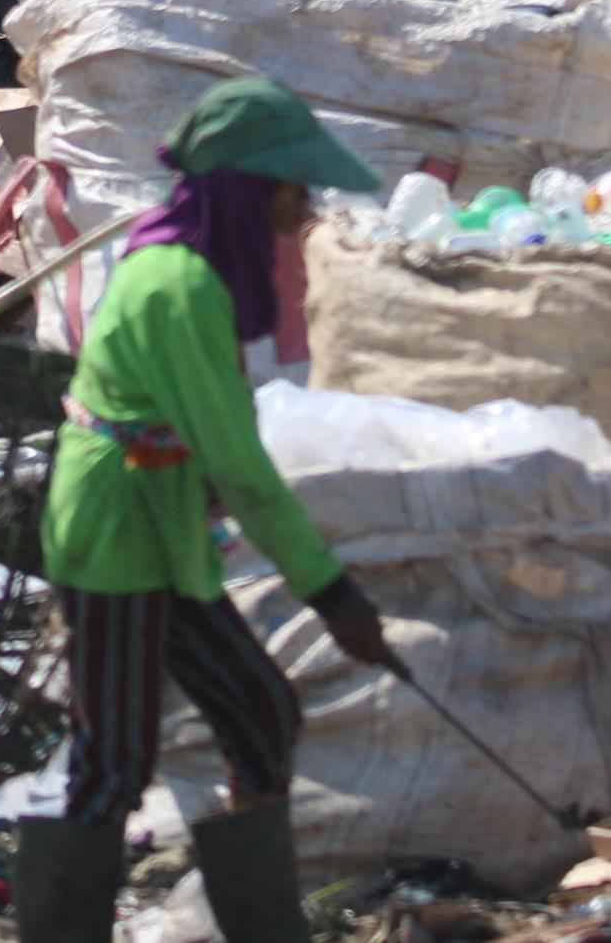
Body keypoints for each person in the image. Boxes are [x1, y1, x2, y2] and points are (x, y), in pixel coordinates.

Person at [24, 76, 399, 943]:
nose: (301, 208)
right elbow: (239, 464)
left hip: (161, 532)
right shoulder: (178, 288)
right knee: (112, 763)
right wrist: (331, 593)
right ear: (250, 188)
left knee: (260, 710)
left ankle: (260, 927)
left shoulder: (193, 266)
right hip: (115, 537)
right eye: (293, 189)